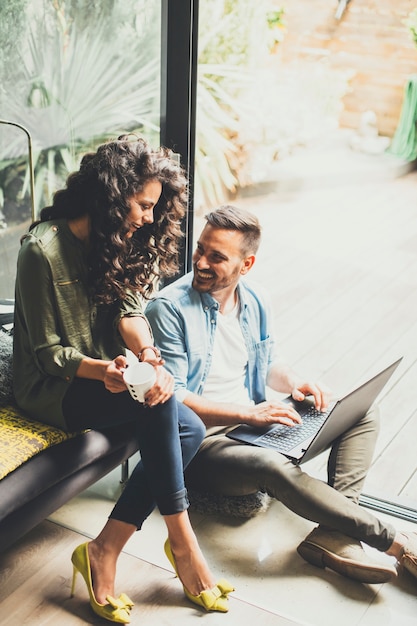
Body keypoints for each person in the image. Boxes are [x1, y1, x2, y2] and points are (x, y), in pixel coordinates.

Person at [12, 138, 234, 624]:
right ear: (111, 196)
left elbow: (129, 310)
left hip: (108, 375)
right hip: (51, 388)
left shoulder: (121, 241)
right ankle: (183, 543)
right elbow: (48, 355)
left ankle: (105, 549)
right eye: (143, 205)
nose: (149, 218)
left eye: (155, 207)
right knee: (164, 410)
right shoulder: (41, 252)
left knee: (188, 426)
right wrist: (107, 370)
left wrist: (149, 357)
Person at [146, 204, 417, 587]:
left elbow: (267, 360)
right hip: (202, 446)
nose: (201, 262)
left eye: (216, 256)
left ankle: (334, 533)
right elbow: (175, 399)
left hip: (254, 424)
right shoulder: (169, 309)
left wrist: (295, 383)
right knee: (271, 466)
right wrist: (249, 414)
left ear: (247, 264)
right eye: (200, 249)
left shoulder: (255, 300)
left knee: (361, 410)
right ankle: (396, 542)